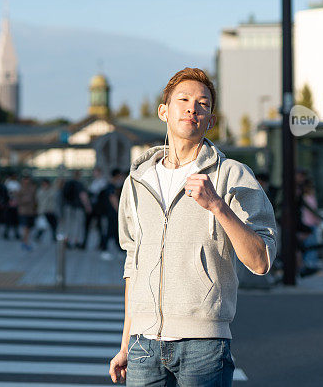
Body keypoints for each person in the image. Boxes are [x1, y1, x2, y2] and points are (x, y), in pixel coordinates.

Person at [110, 68, 277, 386]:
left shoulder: (232, 175)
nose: (192, 108)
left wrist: (218, 205)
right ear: (164, 111)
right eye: (183, 100)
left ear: (211, 119)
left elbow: (261, 261)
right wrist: (125, 345)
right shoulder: (138, 180)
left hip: (204, 345)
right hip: (143, 345)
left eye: (203, 103)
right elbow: (134, 262)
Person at [100, 169, 126, 259]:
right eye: (120, 176)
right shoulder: (110, 186)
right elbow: (113, 199)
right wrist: (119, 211)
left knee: (115, 231)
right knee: (110, 231)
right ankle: (104, 249)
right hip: (111, 213)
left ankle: (119, 250)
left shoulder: (112, 186)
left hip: (111, 213)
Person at [62, 170, 91, 248]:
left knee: (68, 225)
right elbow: (83, 196)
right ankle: (76, 241)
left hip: (68, 206)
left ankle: (67, 241)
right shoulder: (80, 184)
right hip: (78, 207)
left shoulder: (67, 183)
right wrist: (88, 206)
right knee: (78, 225)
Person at [82, 168, 110, 249]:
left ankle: (102, 244)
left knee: (100, 227)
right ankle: (85, 243)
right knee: (88, 225)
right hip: (92, 207)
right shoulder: (93, 182)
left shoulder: (103, 182)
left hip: (99, 209)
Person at [34, 178, 59, 242]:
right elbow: (38, 201)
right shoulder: (40, 191)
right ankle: (38, 236)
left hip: (50, 210)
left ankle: (54, 237)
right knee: (43, 225)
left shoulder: (51, 191)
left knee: (54, 225)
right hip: (43, 211)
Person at [17, 175, 38, 250]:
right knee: (25, 228)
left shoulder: (32, 188)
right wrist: (26, 199)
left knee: (29, 228)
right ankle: (25, 242)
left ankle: (26, 241)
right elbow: (18, 200)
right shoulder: (20, 189)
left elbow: (35, 200)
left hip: (31, 212)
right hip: (23, 211)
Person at [3, 173, 21, 240]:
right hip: (9, 205)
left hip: (15, 205)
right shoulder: (7, 183)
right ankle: (6, 233)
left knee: (15, 221)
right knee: (8, 220)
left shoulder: (17, 184)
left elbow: (18, 193)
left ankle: (16, 234)